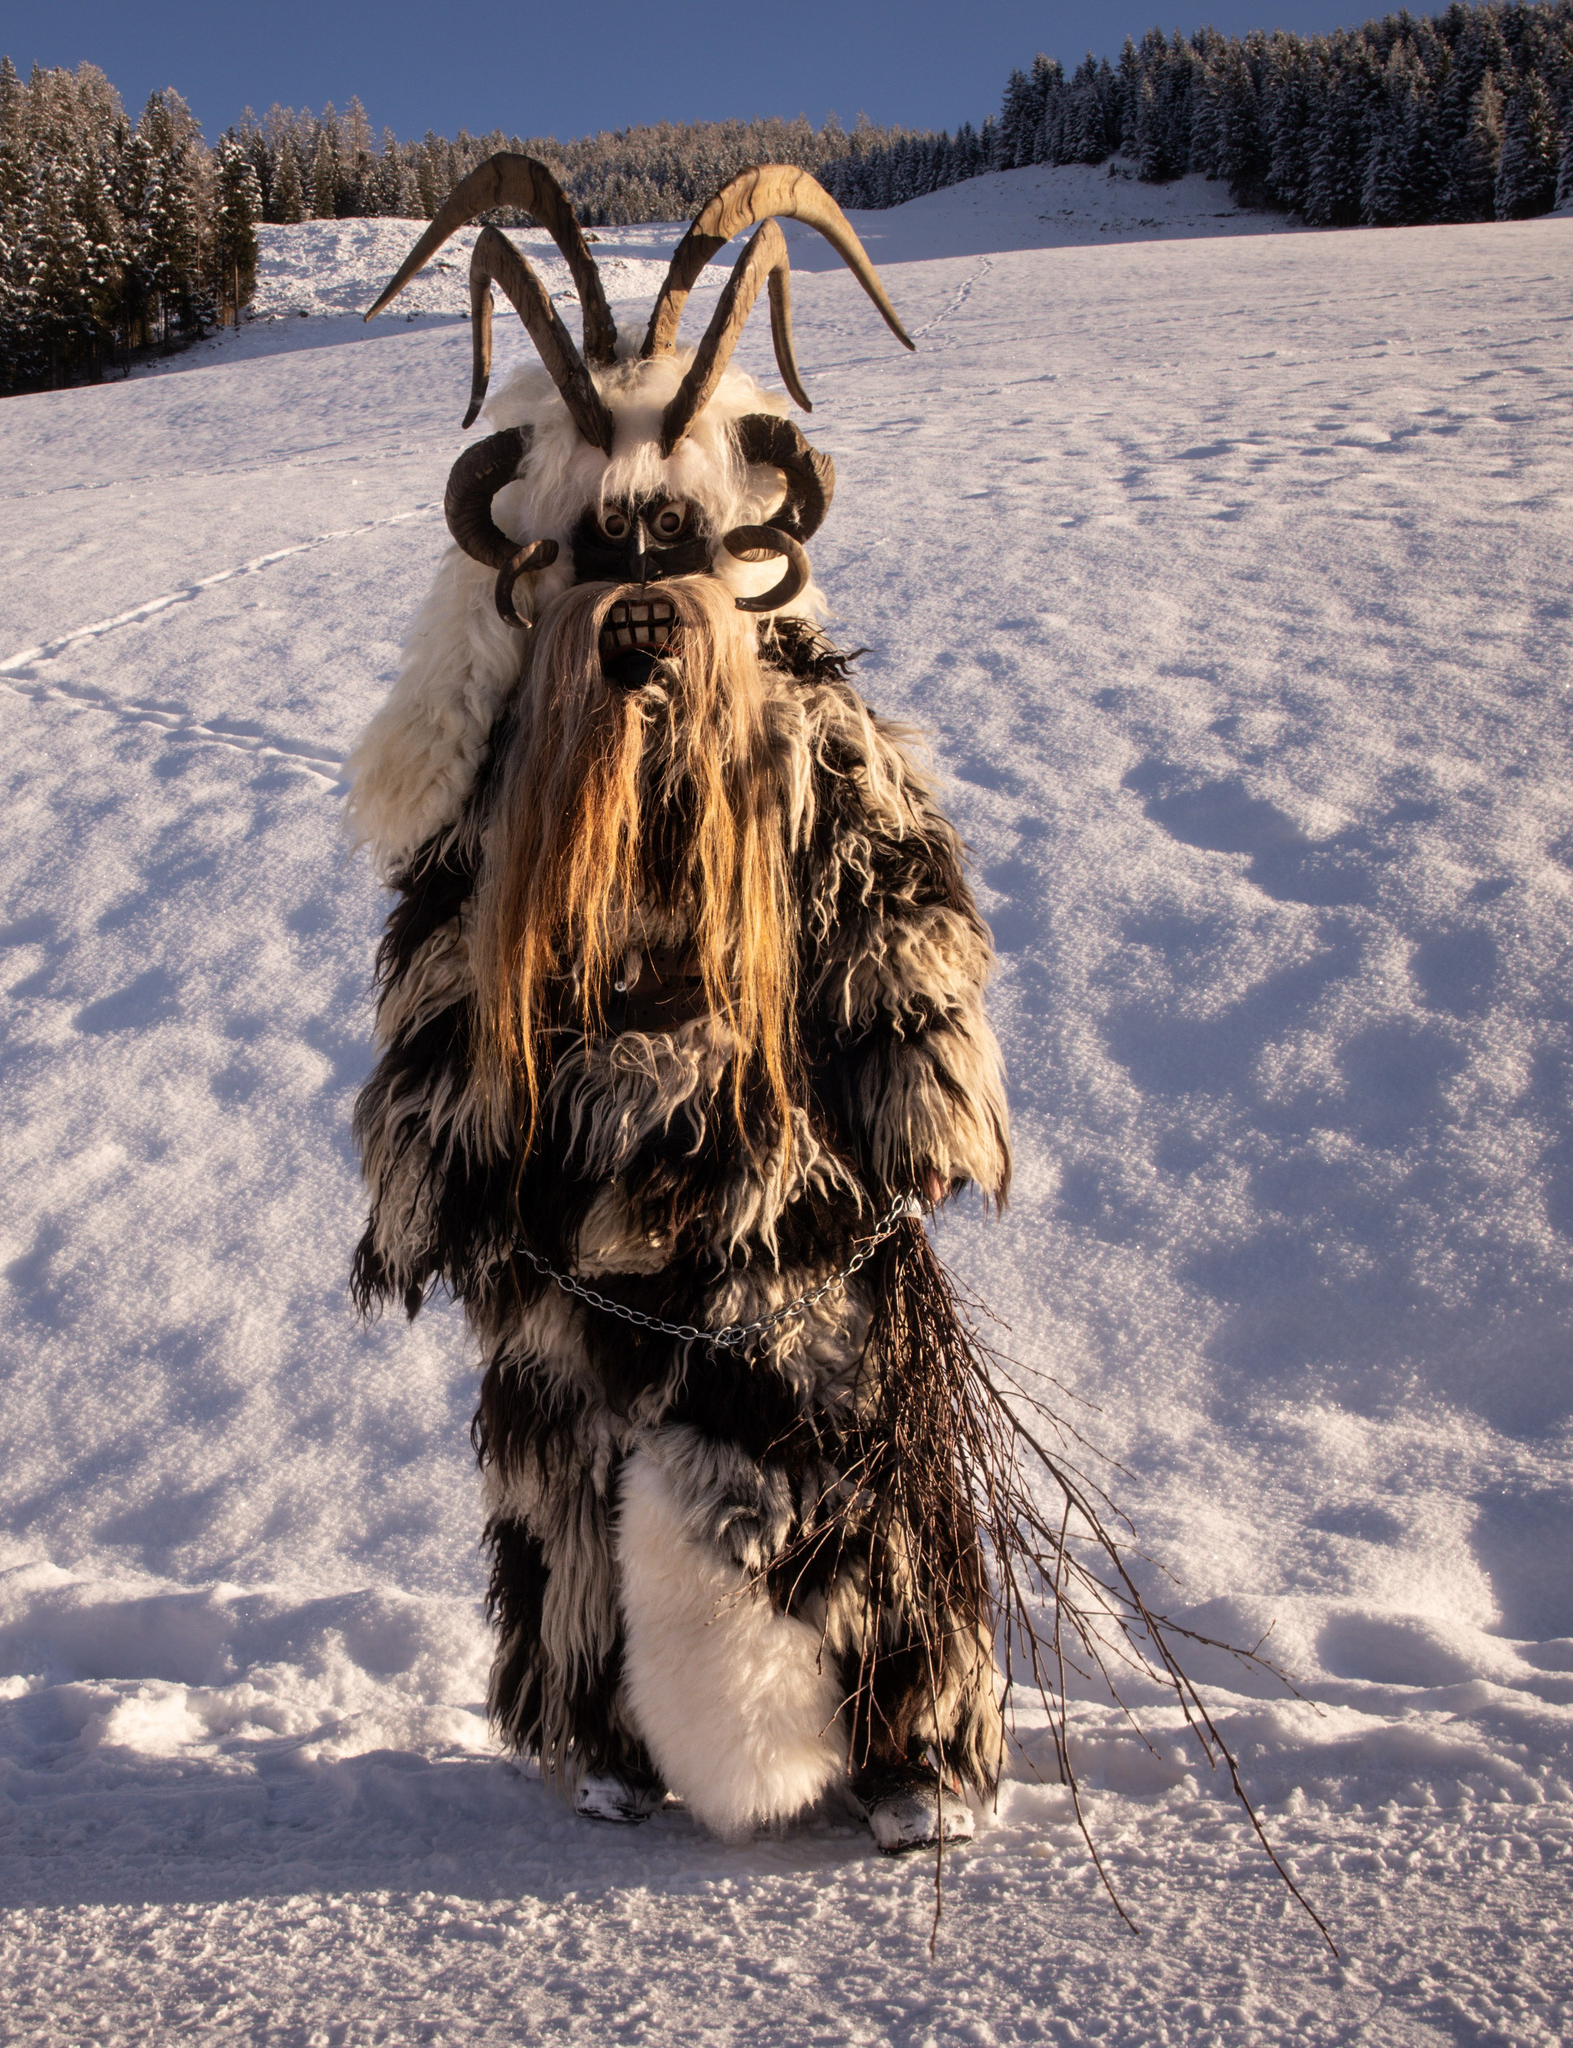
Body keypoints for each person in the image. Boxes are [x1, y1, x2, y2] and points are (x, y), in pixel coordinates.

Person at [347, 158, 1012, 1849]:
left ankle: (912, 1736)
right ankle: (606, 1735)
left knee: (834, 1446)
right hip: (566, 1193)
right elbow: (439, 971)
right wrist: (434, 1174)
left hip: (769, 1172)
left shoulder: (804, 738)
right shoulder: (507, 778)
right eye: (601, 552)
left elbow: (898, 918)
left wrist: (920, 1103)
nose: (640, 593)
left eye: (675, 545)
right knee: (564, 1464)